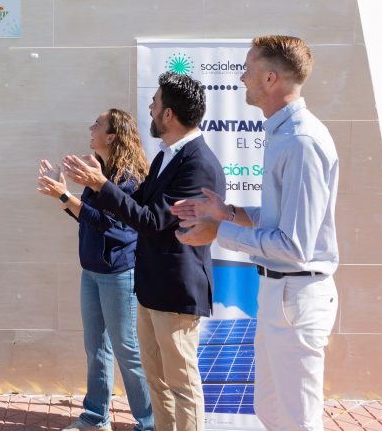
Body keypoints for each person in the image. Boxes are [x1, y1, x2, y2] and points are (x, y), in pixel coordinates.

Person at [172, 35, 339, 430]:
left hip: (296, 295)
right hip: (280, 295)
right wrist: (228, 211)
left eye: (247, 68)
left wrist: (218, 231)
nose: (241, 76)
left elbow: (295, 245)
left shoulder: (300, 141)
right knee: (271, 410)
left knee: (296, 420)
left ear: (269, 78)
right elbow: (283, 217)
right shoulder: (284, 134)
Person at [63, 73, 225, 431]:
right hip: (151, 286)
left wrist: (102, 185)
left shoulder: (197, 163)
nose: (150, 109)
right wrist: (97, 184)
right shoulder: (167, 156)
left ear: (168, 114)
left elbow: (152, 220)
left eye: (155, 103)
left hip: (176, 290)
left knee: (181, 385)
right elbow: (137, 205)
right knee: (158, 382)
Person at [38, 109, 154, 431]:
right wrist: (63, 195)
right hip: (91, 272)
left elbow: (113, 228)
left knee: (127, 351)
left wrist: (66, 195)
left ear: (112, 136)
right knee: (96, 347)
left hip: (118, 275)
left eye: (97, 125)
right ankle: (95, 417)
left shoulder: (128, 180)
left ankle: (149, 423)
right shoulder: (97, 171)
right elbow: (88, 217)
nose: (91, 128)